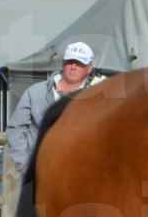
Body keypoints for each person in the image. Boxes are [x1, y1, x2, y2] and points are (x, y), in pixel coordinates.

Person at [6, 42, 100, 172]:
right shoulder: (35, 92)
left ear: (89, 68)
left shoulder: (98, 97)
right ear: (63, 64)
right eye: (70, 62)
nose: (73, 67)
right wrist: (24, 164)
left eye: (79, 63)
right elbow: (16, 128)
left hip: (81, 173)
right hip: (39, 171)